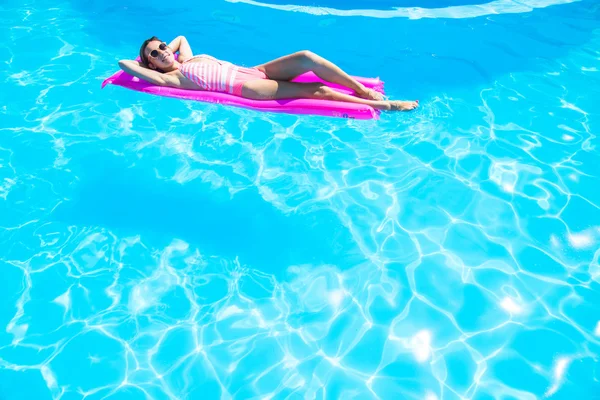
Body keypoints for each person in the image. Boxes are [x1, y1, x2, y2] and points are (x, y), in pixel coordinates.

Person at [118, 36, 419, 111]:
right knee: (316, 90)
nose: (162, 51)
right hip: (246, 88)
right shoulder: (169, 77)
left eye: (160, 47)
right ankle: (383, 104)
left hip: (255, 70)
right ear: (151, 66)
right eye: (154, 54)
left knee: (307, 57)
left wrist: (162, 51)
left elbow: (181, 37)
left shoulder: (187, 57)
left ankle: (362, 89)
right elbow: (124, 64)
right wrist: (147, 62)